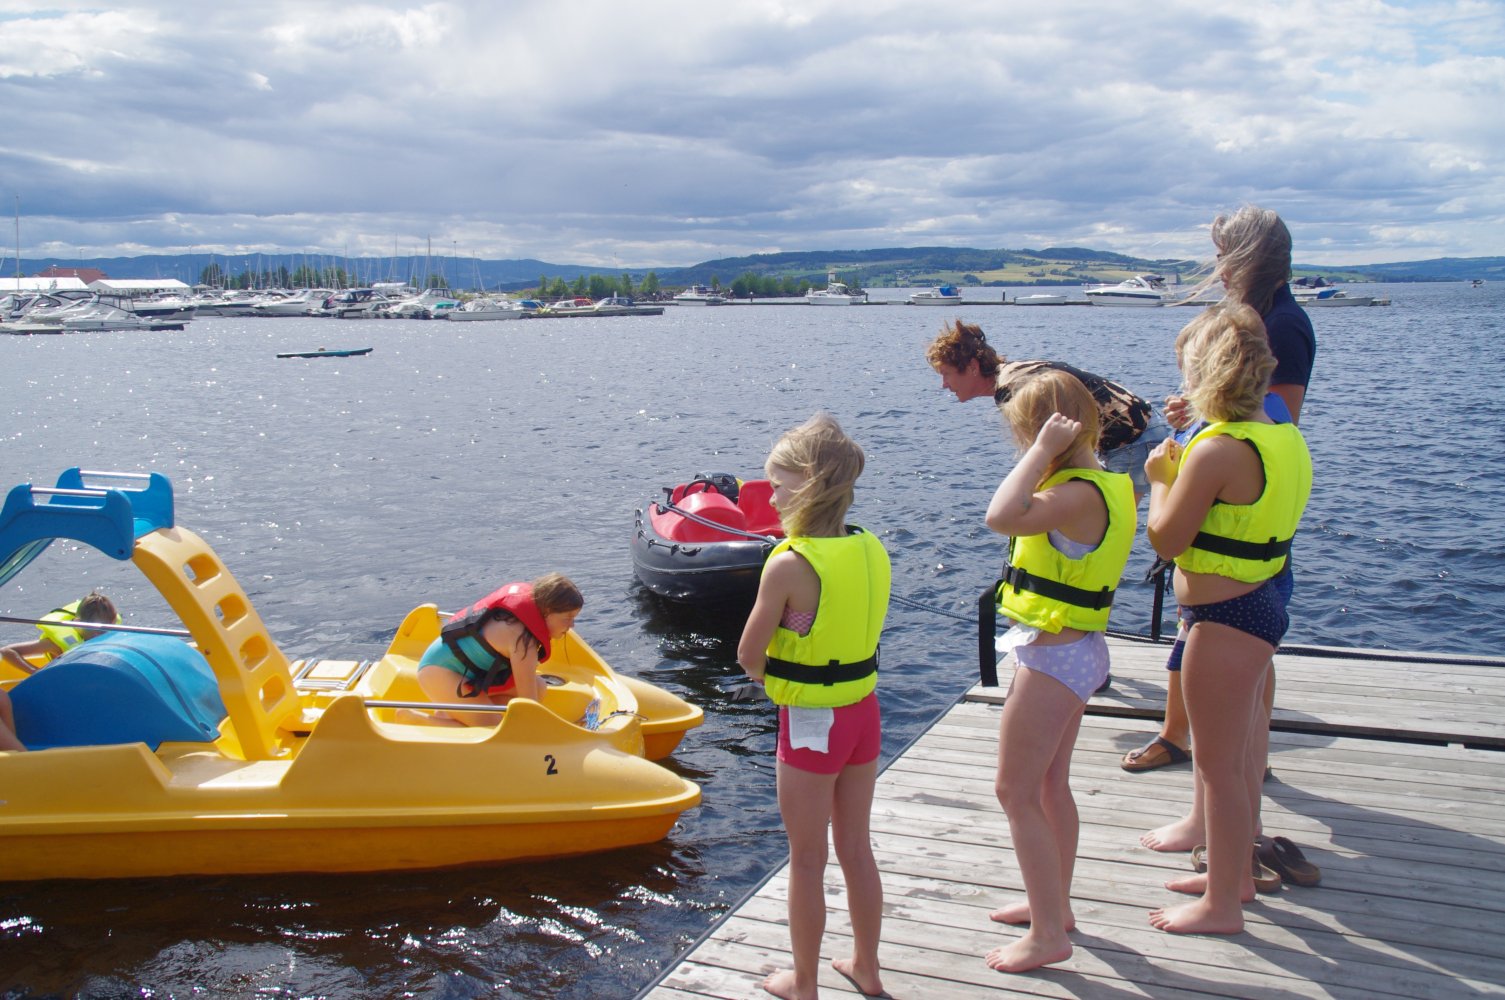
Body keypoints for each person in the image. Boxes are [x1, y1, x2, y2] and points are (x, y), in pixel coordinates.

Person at [1125, 206, 1316, 786]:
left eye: (1221, 255)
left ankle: (1239, 769)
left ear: (1246, 256)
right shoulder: (1259, 316)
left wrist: (1201, 427)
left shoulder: (1281, 325)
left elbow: (1276, 416)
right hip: (1226, 513)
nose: (1217, 268)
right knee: (1214, 637)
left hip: (1238, 526)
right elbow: (1245, 413)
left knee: (1243, 653)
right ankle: (1190, 742)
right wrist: (1200, 409)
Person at [1141, 305, 1312, 934]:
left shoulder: (1217, 450)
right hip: (1259, 606)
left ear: (1206, 372)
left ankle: (1223, 904)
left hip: (1222, 617)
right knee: (1241, 755)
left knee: (1217, 766)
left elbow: (1165, 537)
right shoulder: (1282, 433)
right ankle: (1231, 874)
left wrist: (1160, 477)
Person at [983, 370, 1137, 971]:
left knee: (1013, 790)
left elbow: (1001, 515)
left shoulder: (1072, 491)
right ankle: (1055, 907)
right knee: (1050, 785)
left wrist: (1041, 452)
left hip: (1055, 659)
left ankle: (1049, 934)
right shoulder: (1104, 482)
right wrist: (1047, 454)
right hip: (1074, 652)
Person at [737, 412, 890, 1000]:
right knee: (856, 846)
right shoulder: (868, 544)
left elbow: (750, 655)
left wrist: (774, 670)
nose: (769, 494)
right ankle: (867, 968)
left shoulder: (789, 563)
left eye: (776, 484)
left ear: (807, 483)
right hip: (864, 714)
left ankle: (803, 983)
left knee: (806, 857)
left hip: (811, 725)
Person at [926, 320, 1171, 500]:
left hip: (1134, 440)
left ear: (972, 367)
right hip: (1138, 432)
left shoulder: (1012, 389)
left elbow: (1051, 448)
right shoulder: (1013, 374)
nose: (944, 384)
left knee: (1114, 522)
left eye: (946, 374)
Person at [415, 574, 583, 727]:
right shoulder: (523, 640)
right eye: (567, 618)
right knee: (493, 729)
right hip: (439, 671)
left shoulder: (524, 623)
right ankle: (416, 720)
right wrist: (568, 729)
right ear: (547, 612)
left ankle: (451, 714)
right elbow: (530, 706)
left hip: (460, 670)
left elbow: (530, 695)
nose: (571, 625)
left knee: (539, 686)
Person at [0, 591, 120, 676]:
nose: (98, 635)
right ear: (77, 623)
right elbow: (7, 651)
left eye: (103, 630)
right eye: (93, 631)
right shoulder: (56, 643)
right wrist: (36, 672)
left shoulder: (112, 633)